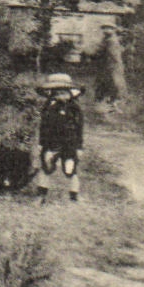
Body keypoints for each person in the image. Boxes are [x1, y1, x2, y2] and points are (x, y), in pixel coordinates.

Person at [35, 73, 84, 202]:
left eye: (64, 92)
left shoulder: (75, 109)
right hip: (51, 143)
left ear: (70, 93)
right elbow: (44, 127)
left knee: (70, 169)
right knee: (46, 167)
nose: (61, 96)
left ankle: (74, 196)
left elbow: (79, 129)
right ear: (52, 93)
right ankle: (41, 195)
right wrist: (41, 144)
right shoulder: (48, 108)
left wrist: (79, 147)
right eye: (57, 93)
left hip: (70, 143)